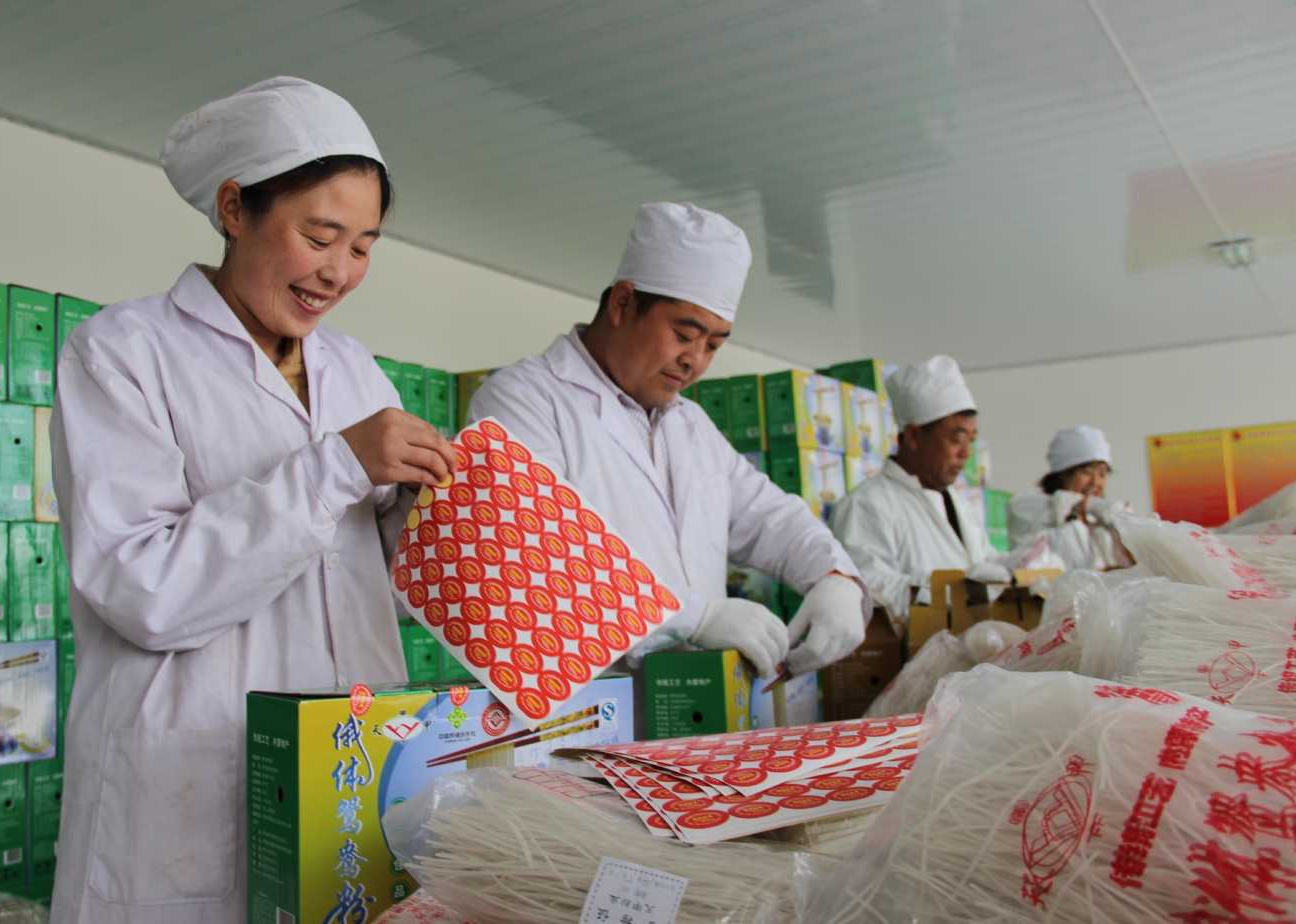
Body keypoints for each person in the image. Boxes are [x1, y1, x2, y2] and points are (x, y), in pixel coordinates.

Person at [48, 77, 455, 924]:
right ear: (235, 208)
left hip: (347, 769)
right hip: (185, 787)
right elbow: (143, 590)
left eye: (363, 247)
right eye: (319, 236)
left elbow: (369, 580)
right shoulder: (123, 352)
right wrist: (338, 468)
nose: (339, 272)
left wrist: (416, 518)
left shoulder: (356, 372)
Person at [467, 202, 870, 680]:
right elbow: (534, 554)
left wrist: (834, 577)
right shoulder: (525, 399)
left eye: (714, 345)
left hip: (693, 703)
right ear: (622, 304)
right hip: (582, 703)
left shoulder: (690, 424)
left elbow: (768, 516)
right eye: (684, 334)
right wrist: (693, 617)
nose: (695, 361)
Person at [832, 355, 1011, 631]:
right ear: (914, 437)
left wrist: (1021, 566)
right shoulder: (867, 504)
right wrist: (953, 590)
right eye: (956, 439)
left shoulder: (957, 501)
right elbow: (865, 589)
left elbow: (982, 561)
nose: (966, 453)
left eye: (971, 440)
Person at [1008, 426, 1131, 570]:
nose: (1095, 482)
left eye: (1102, 474)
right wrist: (1086, 505)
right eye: (1086, 472)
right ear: (1062, 474)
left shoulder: (1098, 522)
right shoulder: (1030, 507)